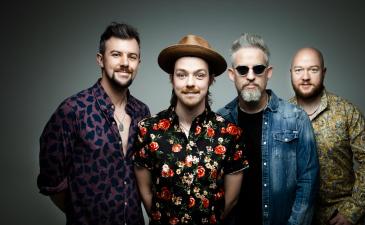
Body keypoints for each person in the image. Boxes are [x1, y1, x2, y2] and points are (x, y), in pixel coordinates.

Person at [37, 22, 149, 225]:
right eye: (116, 54)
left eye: (132, 57)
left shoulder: (142, 112)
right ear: (100, 60)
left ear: (138, 63)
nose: (125, 62)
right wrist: (82, 213)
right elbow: (51, 180)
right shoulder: (73, 111)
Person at [134, 34, 249, 225]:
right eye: (181, 74)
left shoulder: (230, 134)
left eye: (199, 75)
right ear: (172, 78)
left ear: (211, 79)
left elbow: (230, 200)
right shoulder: (148, 129)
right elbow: (146, 194)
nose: (190, 83)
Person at [218, 33, 319, 225]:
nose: (250, 76)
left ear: (269, 72)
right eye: (242, 70)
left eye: (258, 69)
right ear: (232, 74)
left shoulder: (296, 118)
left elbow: (308, 182)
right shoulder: (220, 120)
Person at [289, 47, 365, 225]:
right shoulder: (281, 114)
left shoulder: (347, 111)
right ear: (291, 73)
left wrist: (352, 211)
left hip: (338, 216)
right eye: (299, 70)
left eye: (313, 69)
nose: (305, 76)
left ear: (323, 73)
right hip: (294, 216)